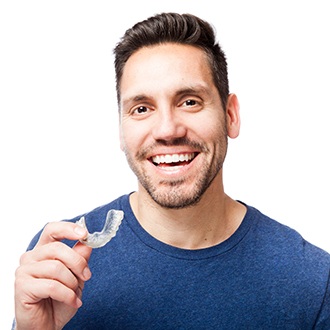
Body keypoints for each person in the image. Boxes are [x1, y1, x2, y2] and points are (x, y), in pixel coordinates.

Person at [14, 12, 330, 329]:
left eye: (190, 101)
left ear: (231, 115)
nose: (167, 129)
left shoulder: (312, 283)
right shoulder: (59, 263)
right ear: (121, 129)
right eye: (142, 108)